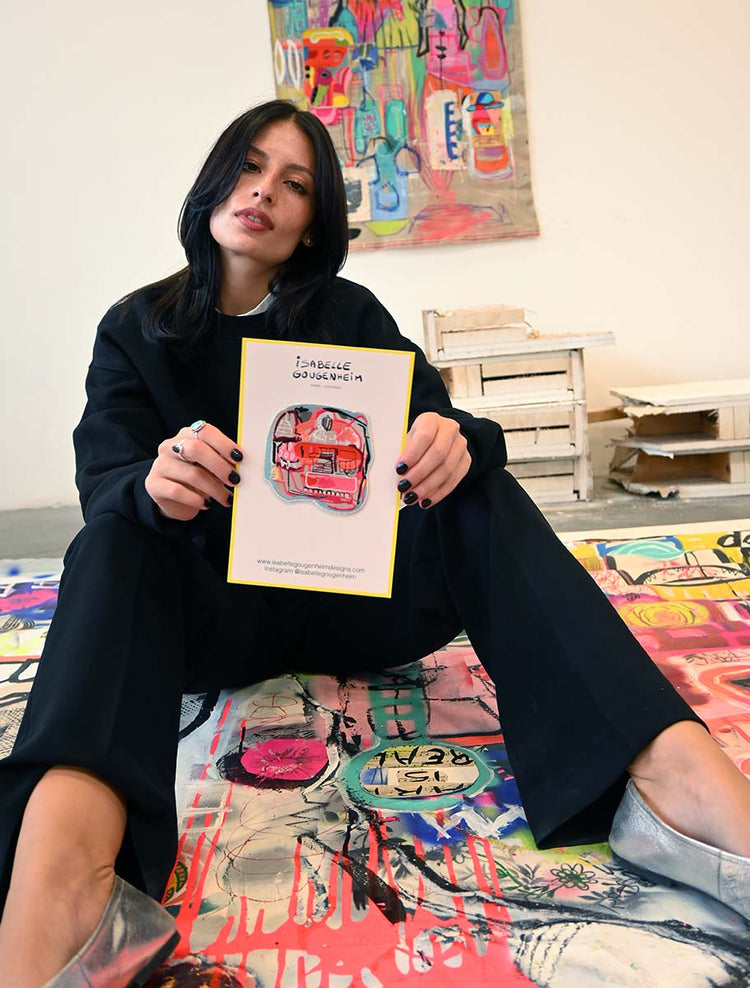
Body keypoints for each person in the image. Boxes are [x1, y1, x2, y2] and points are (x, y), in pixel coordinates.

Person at [0, 99, 748, 987]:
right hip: (210, 626)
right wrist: (151, 484)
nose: (263, 193)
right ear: (212, 182)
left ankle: (675, 775)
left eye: (294, 184)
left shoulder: (347, 312)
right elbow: (106, 483)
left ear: (314, 222)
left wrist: (453, 439)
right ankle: (67, 873)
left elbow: (443, 419)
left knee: (474, 484)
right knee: (110, 543)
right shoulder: (134, 326)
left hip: (358, 607)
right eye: (249, 167)